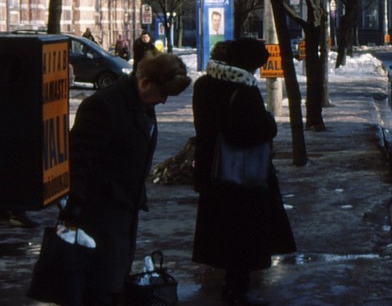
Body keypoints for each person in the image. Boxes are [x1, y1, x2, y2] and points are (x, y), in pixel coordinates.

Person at [60, 52, 191, 305]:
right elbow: (79, 159)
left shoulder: (142, 105)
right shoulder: (104, 105)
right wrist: (75, 208)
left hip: (122, 209)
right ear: (145, 82)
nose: (164, 101)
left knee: (112, 280)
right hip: (97, 211)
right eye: (163, 93)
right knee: (97, 285)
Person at [192, 39, 295, 306]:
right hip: (241, 176)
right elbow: (249, 132)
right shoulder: (244, 90)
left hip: (211, 171)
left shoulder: (203, 85)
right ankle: (236, 291)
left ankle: (230, 284)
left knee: (219, 233)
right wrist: (269, 123)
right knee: (243, 236)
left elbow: (205, 129)